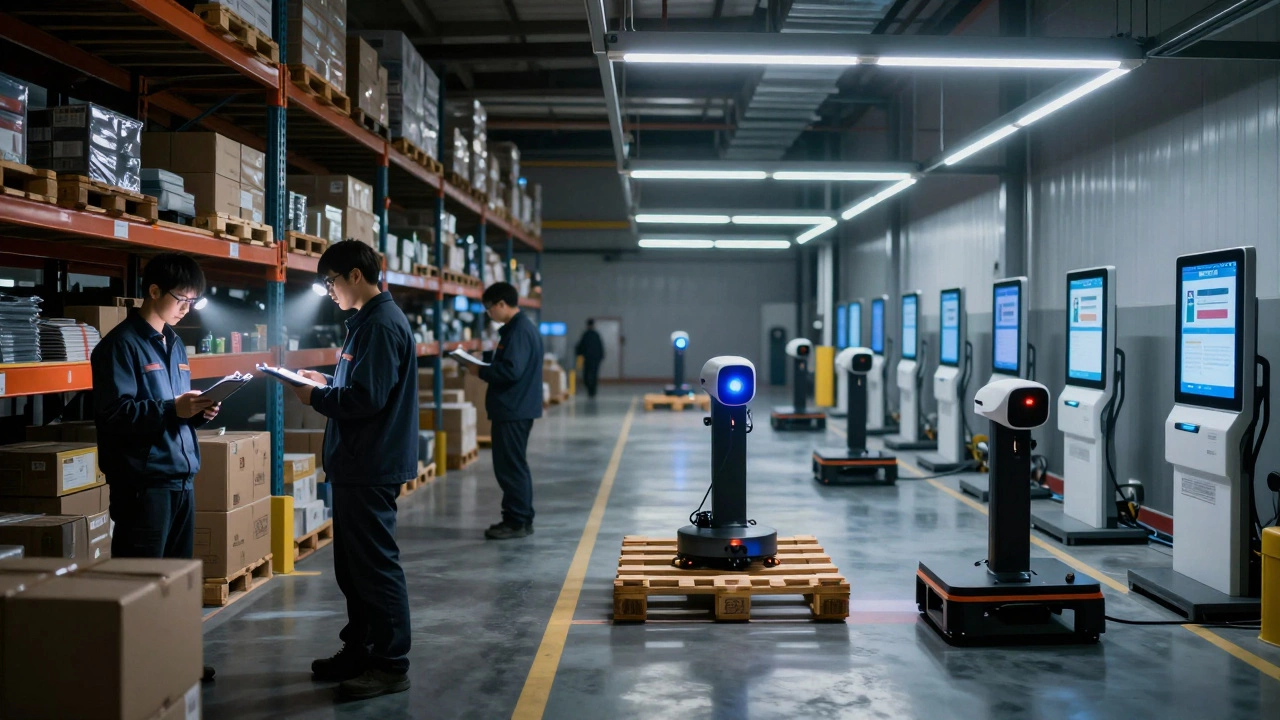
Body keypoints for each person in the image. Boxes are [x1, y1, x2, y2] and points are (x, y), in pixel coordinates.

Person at [289, 240, 417, 701]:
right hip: (358, 462)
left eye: (331, 282)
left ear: (355, 277)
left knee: (376, 568)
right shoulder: (367, 323)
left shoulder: (381, 325)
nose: (329, 292)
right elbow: (362, 385)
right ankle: (360, 649)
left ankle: (389, 663)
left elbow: (369, 399)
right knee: (354, 569)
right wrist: (329, 382)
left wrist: (316, 398)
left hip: (370, 463)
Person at [92, 252, 221, 682]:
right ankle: (137, 672)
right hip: (143, 483)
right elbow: (115, 415)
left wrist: (197, 410)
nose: (187, 308)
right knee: (141, 581)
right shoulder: (119, 346)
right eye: (182, 299)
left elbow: (172, 408)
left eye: (193, 302)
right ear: (153, 291)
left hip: (180, 477)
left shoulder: (174, 342)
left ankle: (175, 659)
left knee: (177, 578)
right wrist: (172, 409)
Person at [459, 281, 543, 540]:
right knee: (514, 465)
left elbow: (510, 370)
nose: (489, 314)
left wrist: (478, 370)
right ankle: (521, 518)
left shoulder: (518, 331)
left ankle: (516, 521)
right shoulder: (519, 328)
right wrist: (482, 355)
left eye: (489, 309)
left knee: (510, 467)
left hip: (513, 409)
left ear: (502, 304)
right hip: (516, 408)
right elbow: (507, 359)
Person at [575, 319, 605, 399]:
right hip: (595, 359)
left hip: (588, 359)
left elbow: (580, 346)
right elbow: (600, 347)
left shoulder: (586, 335)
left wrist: (578, 353)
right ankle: (592, 390)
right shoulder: (596, 335)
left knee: (587, 375)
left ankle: (590, 390)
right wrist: (601, 357)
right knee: (594, 375)